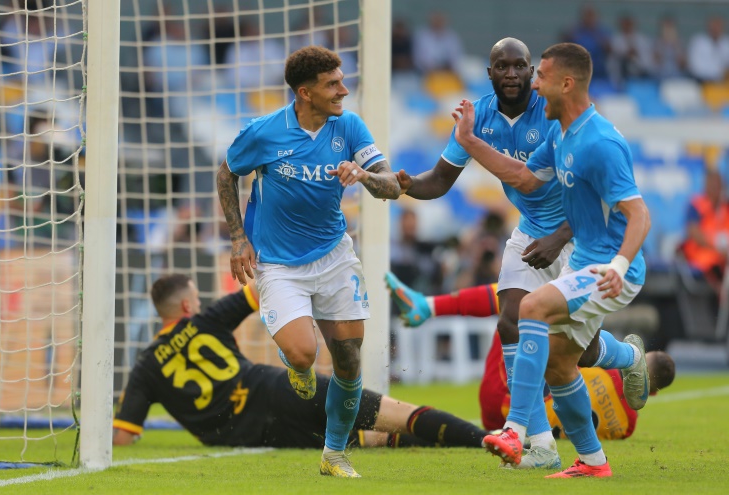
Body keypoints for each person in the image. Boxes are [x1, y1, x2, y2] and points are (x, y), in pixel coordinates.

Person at [391, 38, 647, 471]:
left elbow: (638, 213)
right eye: (511, 70)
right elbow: (524, 179)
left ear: (563, 83)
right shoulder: (562, 134)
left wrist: (619, 265)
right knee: (564, 363)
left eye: (537, 75)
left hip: (607, 264)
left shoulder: (600, 142)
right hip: (573, 249)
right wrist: (468, 141)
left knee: (531, 308)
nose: (530, 84)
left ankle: (516, 429)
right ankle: (590, 459)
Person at [216, 46, 400, 478]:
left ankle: (334, 453)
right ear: (305, 93)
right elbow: (227, 173)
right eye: (332, 84)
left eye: (341, 80)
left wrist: (365, 176)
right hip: (279, 264)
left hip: (335, 256)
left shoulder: (349, 126)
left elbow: (391, 186)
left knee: (349, 358)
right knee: (302, 354)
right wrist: (239, 236)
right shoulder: (263, 132)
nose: (343, 90)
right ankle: (296, 366)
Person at [113, 274, 491, 452]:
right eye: (194, 300)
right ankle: (488, 441)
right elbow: (261, 288)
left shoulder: (146, 366)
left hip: (251, 436)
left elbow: (124, 435)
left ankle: (470, 442)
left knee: (371, 440)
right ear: (185, 307)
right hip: (277, 391)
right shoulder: (206, 321)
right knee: (394, 415)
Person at [383, 273, 676, 438]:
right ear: (652, 394)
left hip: (509, 398)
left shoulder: (607, 367)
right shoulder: (627, 427)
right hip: (503, 421)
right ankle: (589, 459)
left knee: (520, 298)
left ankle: (428, 306)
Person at [680, 169, 729, 295]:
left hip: (723, 255)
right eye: (712, 183)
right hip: (702, 253)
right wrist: (716, 246)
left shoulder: (725, 207)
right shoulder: (697, 205)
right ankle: (719, 294)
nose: (715, 187)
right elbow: (693, 232)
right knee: (712, 265)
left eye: (718, 184)